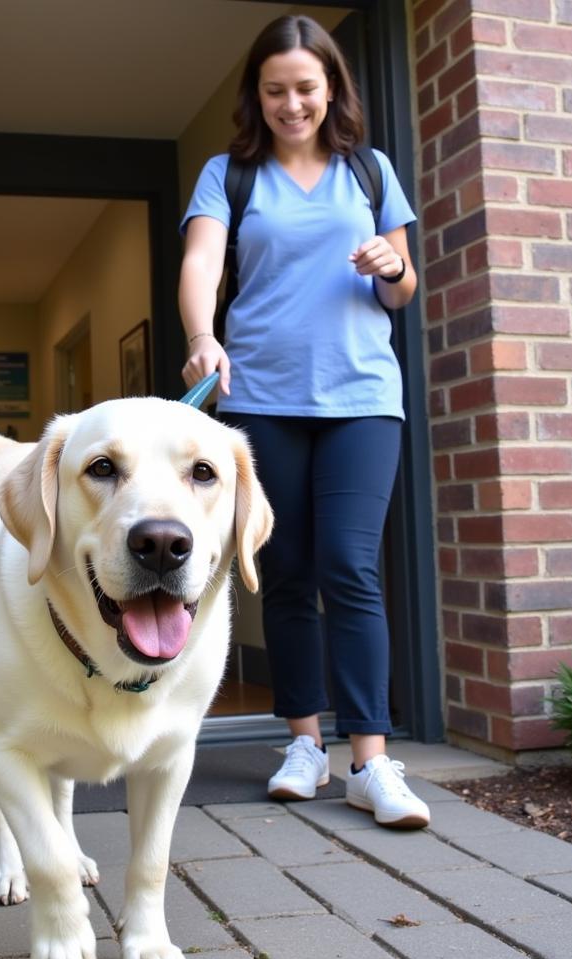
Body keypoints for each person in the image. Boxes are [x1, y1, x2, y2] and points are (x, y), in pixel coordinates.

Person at [179, 14, 429, 828]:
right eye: (276, 89)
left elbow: (401, 287)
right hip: (260, 401)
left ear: (331, 89)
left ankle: (373, 762)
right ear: (258, 93)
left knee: (349, 567)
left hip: (361, 399)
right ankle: (303, 744)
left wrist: (392, 265)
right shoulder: (229, 174)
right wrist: (201, 336)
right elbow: (203, 261)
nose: (292, 104)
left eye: (306, 89)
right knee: (283, 572)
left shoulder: (369, 171)